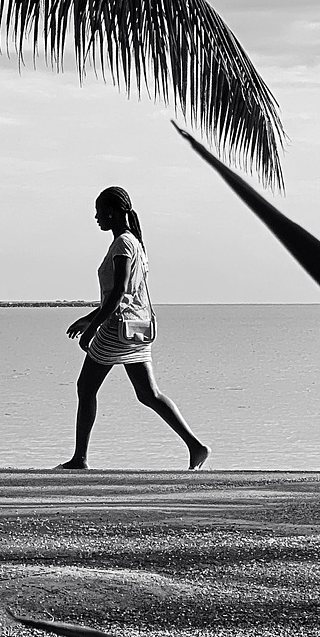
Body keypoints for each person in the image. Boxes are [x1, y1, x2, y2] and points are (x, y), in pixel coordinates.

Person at [58, 186, 209, 471]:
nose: (96, 217)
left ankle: (79, 459)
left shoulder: (124, 245)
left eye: (99, 211)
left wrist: (92, 329)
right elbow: (124, 294)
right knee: (148, 393)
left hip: (117, 328)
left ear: (112, 212)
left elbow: (119, 292)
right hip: (136, 328)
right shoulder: (136, 244)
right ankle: (195, 446)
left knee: (85, 387)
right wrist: (89, 318)